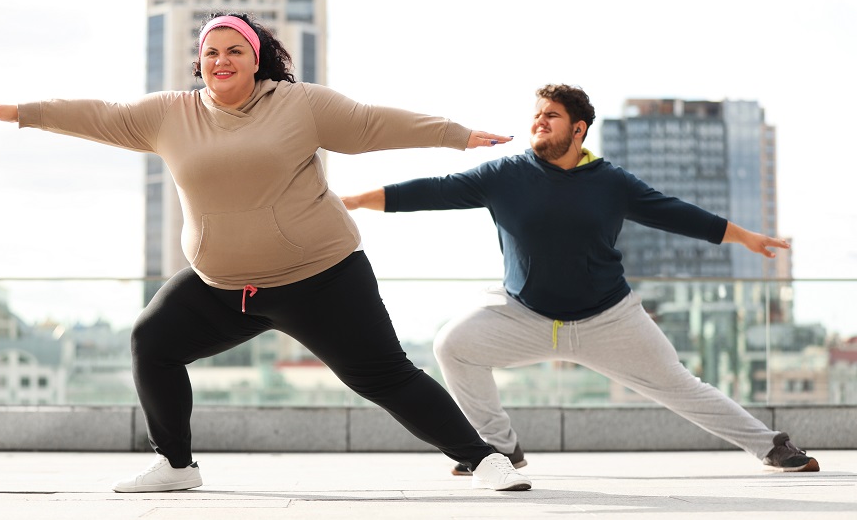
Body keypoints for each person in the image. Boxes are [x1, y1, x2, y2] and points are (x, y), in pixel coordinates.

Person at [0, 12, 533, 492]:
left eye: (235, 50)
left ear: (256, 57)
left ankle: (484, 459)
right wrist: (23, 112)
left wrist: (456, 134)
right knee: (152, 342)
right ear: (199, 62)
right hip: (222, 286)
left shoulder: (298, 104)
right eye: (211, 52)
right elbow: (101, 115)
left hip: (320, 278)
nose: (222, 60)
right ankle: (176, 465)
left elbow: (368, 124)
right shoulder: (170, 115)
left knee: (384, 375)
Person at [342, 83, 820, 476]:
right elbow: (434, 191)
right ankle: (500, 448)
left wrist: (744, 237)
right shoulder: (504, 175)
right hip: (524, 315)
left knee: (681, 385)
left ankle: (772, 446)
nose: (539, 122)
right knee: (453, 345)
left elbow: (675, 212)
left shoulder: (611, 182)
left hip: (609, 319)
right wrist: (359, 200)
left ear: (578, 128)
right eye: (536, 115)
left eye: (551, 115)